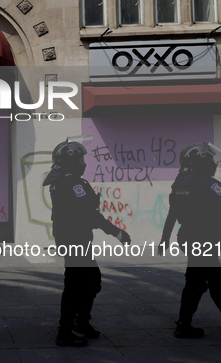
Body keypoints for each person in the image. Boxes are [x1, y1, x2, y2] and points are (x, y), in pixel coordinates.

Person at [42, 137, 131, 347]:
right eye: (81, 159)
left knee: (91, 281)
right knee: (74, 286)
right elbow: (90, 215)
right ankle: (64, 333)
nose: (84, 162)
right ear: (71, 161)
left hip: (72, 239)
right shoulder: (74, 183)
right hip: (75, 241)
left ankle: (81, 323)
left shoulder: (60, 181)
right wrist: (117, 232)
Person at [158, 143, 221, 338]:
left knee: (212, 280)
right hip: (204, 239)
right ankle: (185, 326)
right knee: (201, 282)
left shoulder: (181, 184)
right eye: (208, 159)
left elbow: (172, 213)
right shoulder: (209, 185)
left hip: (188, 237)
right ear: (199, 162)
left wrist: (164, 239)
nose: (213, 163)